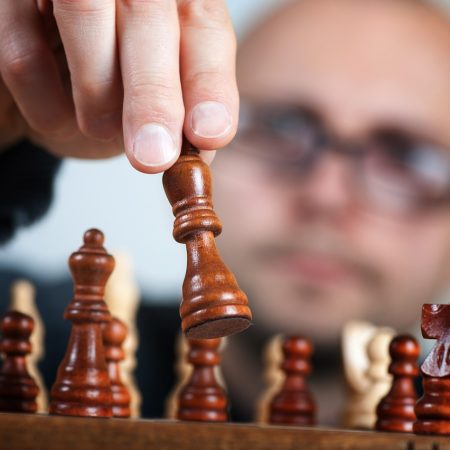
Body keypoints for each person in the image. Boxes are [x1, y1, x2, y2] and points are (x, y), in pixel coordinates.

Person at [1, 0, 450, 425]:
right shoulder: (34, 339)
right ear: (193, 124)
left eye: (407, 158)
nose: (325, 196)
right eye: (281, 127)